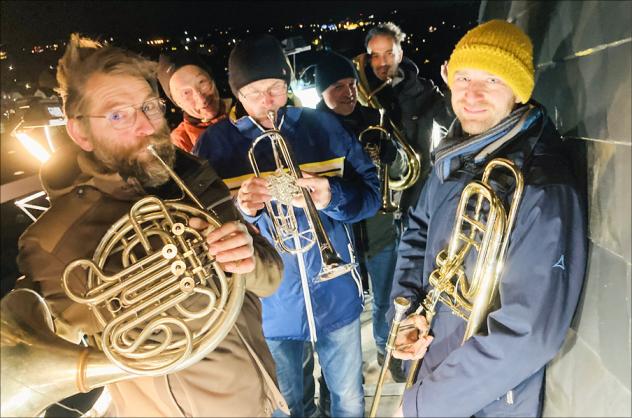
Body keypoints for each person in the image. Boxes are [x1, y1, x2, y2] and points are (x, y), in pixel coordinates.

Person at [17, 34, 288, 417]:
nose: (145, 126)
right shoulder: (50, 241)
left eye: (149, 107)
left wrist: (247, 257)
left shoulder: (193, 176)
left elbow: (269, 279)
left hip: (257, 390)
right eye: (118, 114)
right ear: (80, 132)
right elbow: (61, 357)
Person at [388, 20, 587, 417]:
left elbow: (529, 335)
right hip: (439, 370)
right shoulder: (459, 155)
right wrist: (410, 313)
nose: (472, 94)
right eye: (463, 77)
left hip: (487, 400)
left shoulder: (541, 186)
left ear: (518, 90)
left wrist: (422, 407)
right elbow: (418, 231)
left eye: (493, 80)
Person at [194, 34, 380, 417]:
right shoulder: (215, 146)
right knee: (287, 405)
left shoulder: (323, 127)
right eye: (254, 92)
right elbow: (203, 229)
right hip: (269, 308)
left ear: (288, 85)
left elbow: (371, 196)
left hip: (337, 295)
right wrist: (242, 210)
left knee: (349, 401)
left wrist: (332, 197)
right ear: (237, 95)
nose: (267, 102)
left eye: (276, 88)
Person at [314, 50, 406, 383]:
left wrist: (391, 154)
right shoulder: (313, 129)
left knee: (385, 298)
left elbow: (400, 170)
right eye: (337, 86)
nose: (348, 92)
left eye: (352, 83)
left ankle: (386, 348)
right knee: (341, 308)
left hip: (379, 228)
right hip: (339, 236)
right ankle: (337, 371)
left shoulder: (375, 118)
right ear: (321, 92)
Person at [356, 22, 453, 227]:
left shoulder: (425, 91)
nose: (382, 62)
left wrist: (452, 89)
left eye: (389, 53)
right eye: (375, 55)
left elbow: (452, 122)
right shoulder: (360, 99)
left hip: (416, 199)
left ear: (400, 54)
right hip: (376, 213)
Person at [157, 51, 232, 152]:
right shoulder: (181, 142)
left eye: (202, 82)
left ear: (212, 79)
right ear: (177, 102)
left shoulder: (245, 110)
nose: (201, 99)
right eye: (186, 93)